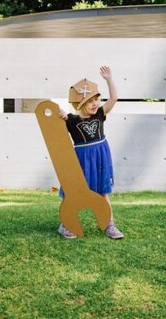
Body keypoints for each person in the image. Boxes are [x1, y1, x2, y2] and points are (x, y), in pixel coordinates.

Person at [57, 66, 124, 240]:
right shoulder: (72, 121)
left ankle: (109, 224)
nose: (95, 103)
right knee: (74, 191)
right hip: (81, 160)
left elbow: (114, 98)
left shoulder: (100, 114)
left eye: (96, 99)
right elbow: (57, 124)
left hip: (100, 157)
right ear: (80, 104)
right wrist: (61, 116)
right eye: (90, 101)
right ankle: (66, 224)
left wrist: (109, 79)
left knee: (102, 191)